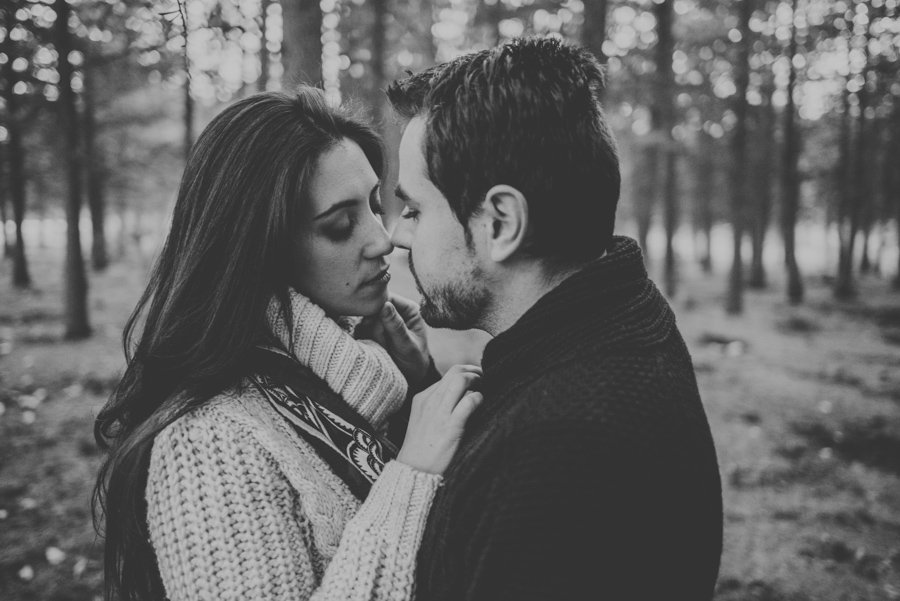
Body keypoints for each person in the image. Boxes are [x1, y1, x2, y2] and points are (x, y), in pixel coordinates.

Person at [92, 89, 482, 601]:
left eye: (372, 205)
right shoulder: (209, 446)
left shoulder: (357, 384)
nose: (382, 239)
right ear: (260, 249)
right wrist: (410, 481)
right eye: (341, 225)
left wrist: (415, 390)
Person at [386, 36, 724, 599]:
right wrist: (420, 381)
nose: (398, 235)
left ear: (500, 222)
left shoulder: (561, 455)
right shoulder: (613, 318)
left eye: (416, 209)